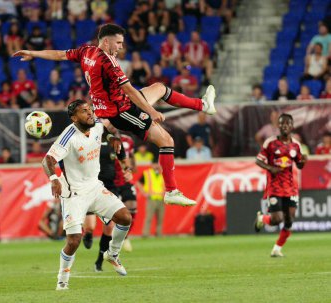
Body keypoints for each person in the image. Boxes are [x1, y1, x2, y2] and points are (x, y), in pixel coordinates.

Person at [13, 23, 216, 206]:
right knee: (167, 141)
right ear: (107, 41)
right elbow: (129, 91)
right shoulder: (108, 62)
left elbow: (60, 55)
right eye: (118, 43)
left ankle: (203, 105)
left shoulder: (86, 52)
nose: (120, 47)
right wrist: (151, 111)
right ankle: (171, 191)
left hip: (110, 107)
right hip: (121, 111)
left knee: (159, 88)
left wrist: (33, 52)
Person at [42, 100, 132, 290]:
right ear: (74, 118)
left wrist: (113, 138)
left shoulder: (96, 123)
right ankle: (62, 280)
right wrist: (54, 179)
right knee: (74, 241)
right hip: (75, 194)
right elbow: (48, 159)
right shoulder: (68, 136)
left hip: (95, 187)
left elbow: (105, 131)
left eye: (90, 109)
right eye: (84, 111)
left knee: (125, 217)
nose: (90, 113)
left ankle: (112, 254)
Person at [254, 113, 307, 257]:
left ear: (292, 126)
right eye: (282, 123)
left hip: (290, 187)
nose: (285, 126)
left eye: (287, 124)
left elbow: (300, 165)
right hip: (275, 186)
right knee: (277, 219)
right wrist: (271, 168)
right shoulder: (270, 143)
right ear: (278, 126)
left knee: (289, 220)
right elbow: (258, 160)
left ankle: (277, 248)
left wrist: (303, 161)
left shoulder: (296, 145)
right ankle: (262, 219)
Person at [82, 129, 133, 272]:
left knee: (109, 226)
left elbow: (123, 157)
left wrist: (127, 169)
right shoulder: (90, 139)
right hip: (91, 187)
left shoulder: (115, 142)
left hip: (110, 187)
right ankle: (88, 234)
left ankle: (99, 262)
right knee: (90, 226)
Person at [137, 161, 165, 237]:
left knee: (160, 218)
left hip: (161, 199)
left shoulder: (162, 173)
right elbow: (138, 183)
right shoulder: (147, 173)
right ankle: (145, 234)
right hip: (151, 199)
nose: (156, 166)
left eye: (157, 164)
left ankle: (159, 234)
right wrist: (144, 193)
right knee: (149, 217)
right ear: (152, 165)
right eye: (155, 164)